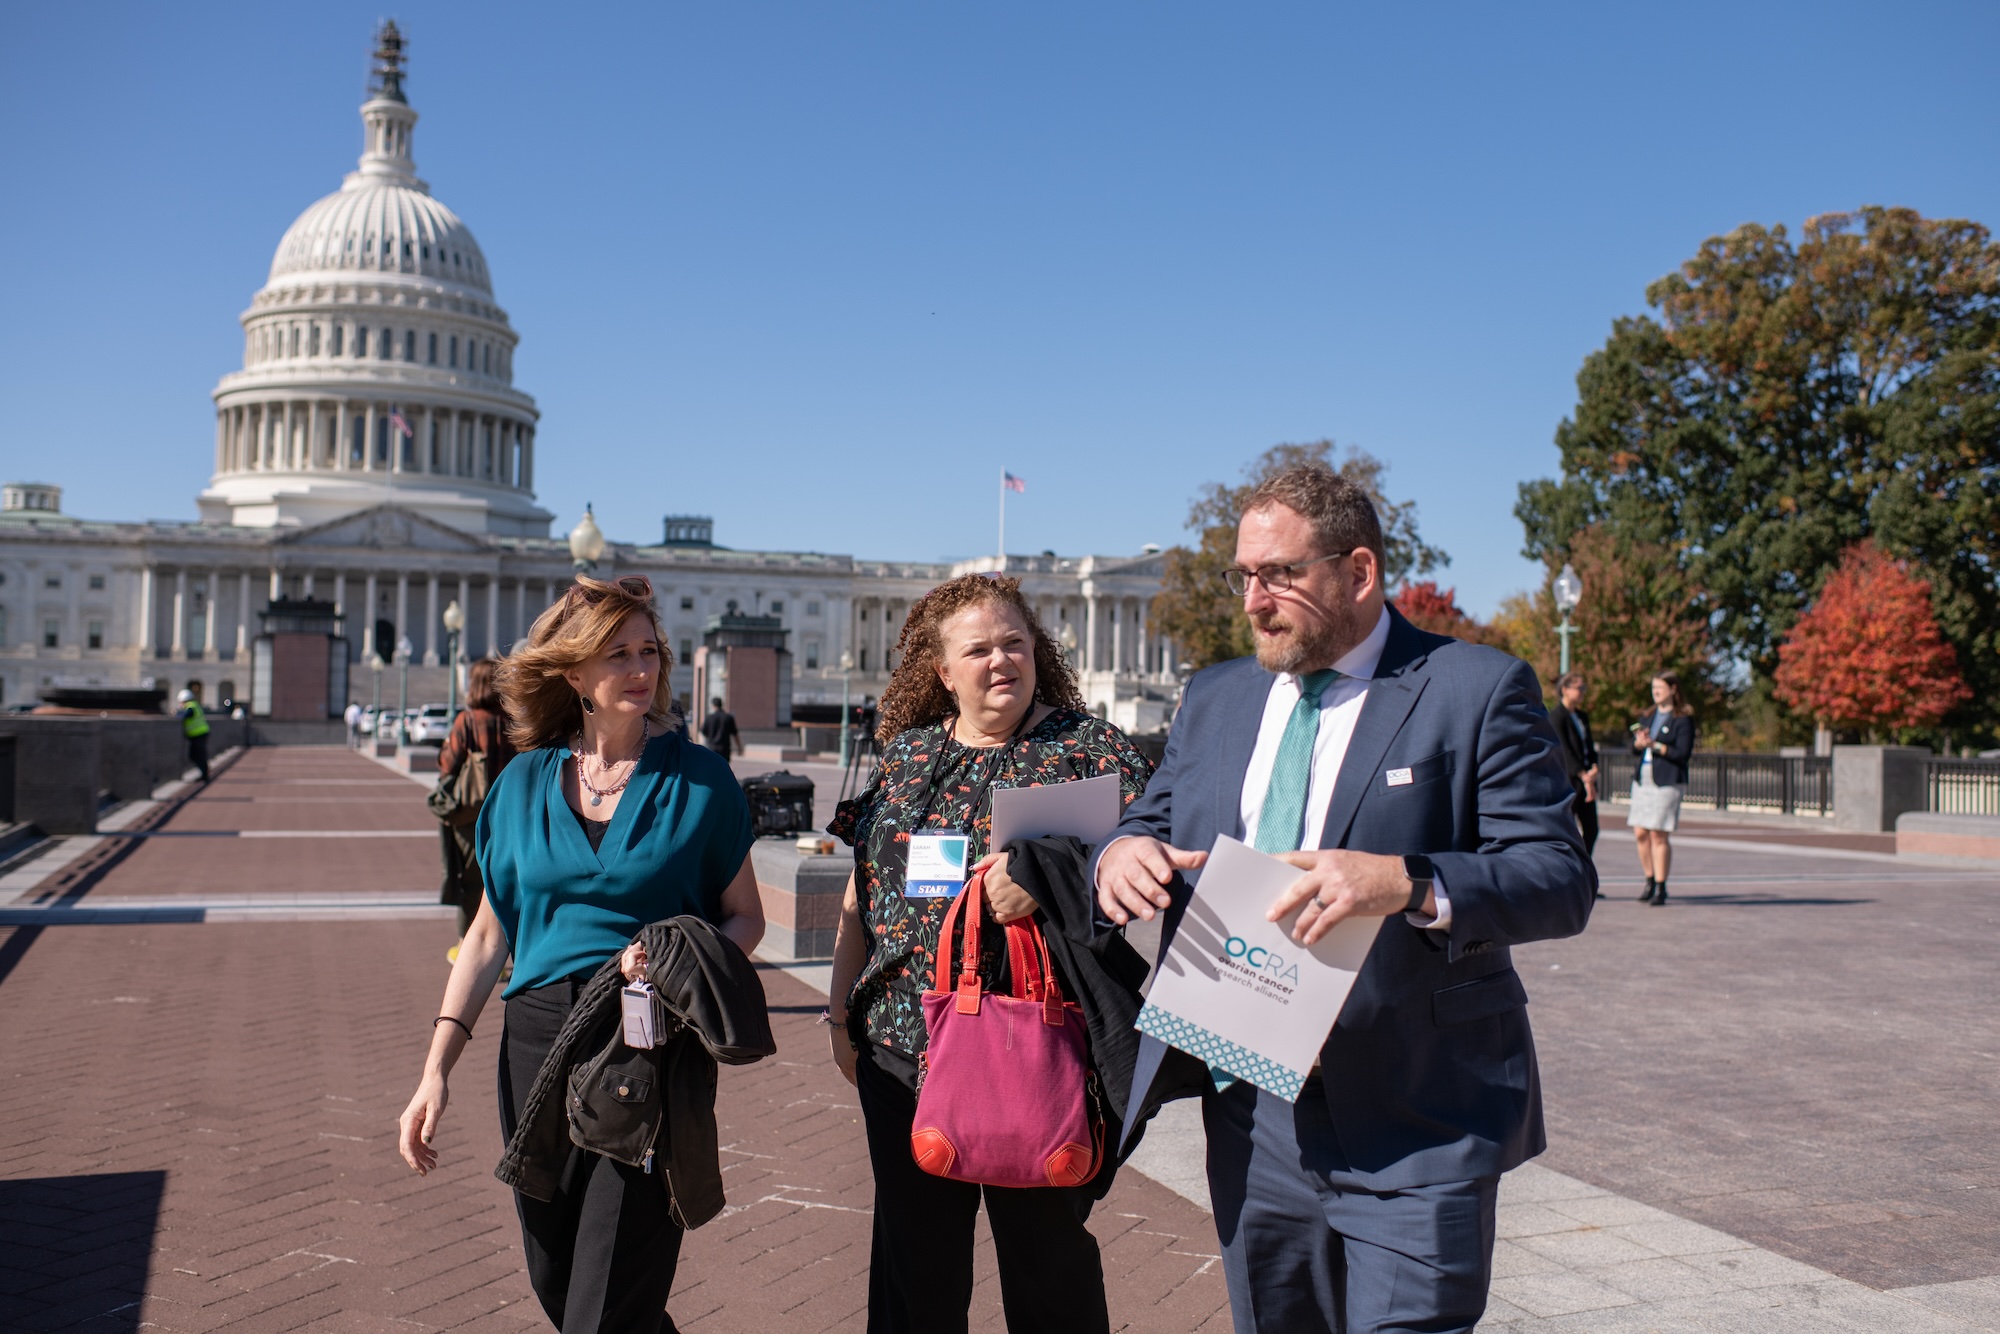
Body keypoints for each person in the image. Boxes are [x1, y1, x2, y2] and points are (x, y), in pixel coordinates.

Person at [1093, 462, 1596, 1334]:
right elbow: (1150, 814)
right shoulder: (1216, 697)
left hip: (1416, 1114)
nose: (1254, 601)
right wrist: (1121, 851)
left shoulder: (1477, 688)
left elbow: (1558, 875)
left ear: (1358, 573)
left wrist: (1408, 882)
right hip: (1251, 1109)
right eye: (1244, 576)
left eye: (1280, 575)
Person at [397, 574, 766, 1334]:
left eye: (649, 651)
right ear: (573, 674)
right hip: (534, 1040)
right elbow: (487, 938)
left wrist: (673, 961)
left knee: (609, 1292)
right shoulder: (521, 784)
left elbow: (745, 920)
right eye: (617, 654)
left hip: (644, 1043)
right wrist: (435, 1069)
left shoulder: (702, 782)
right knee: (558, 1275)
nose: (641, 669)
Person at [825, 573, 1156, 1334]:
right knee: (915, 1266)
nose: (1001, 660)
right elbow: (861, 897)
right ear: (943, 671)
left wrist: (1051, 877)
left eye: (1015, 642)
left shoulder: (1086, 749)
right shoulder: (908, 758)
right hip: (904, 1052)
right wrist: (840, 1013)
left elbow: (1152, 857)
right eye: (978, 649)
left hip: (1035, 1046)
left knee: (1048, 1268)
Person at [437, 657, 519, 961]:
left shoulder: (467, 721)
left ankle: (468, 950)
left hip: (471, 815)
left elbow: (447, 764)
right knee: (502, 883)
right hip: (508, 813)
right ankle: (505, 954)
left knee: (471, 885)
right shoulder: (513, 721)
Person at [1629, 670, 1694, 905]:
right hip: (1643, 780)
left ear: (1673, 689)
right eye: (1653, 687)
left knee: (1658, 833)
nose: (1655, 692)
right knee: (1640, 832)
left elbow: (1682, 753)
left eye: (1660, 687)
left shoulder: (1682, 719)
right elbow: (1634, 748)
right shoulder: (1647, 715)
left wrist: (1656, 746)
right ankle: (1648, 879)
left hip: (1666, 781)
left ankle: (1661, 885)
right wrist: (1639, 743)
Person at [1551, 672, 1603, 892]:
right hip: (1568, 782)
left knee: (1591, 829)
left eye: (1584, 688)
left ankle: (1583, 876)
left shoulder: (1582, 716)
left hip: (1585, 781)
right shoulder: (1556, 716)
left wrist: (1593, 769)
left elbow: (1588, 747)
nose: (1582, 692)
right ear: (1565, 689)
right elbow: (1564, 750)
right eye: (1578, 688)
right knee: (1567, 832)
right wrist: (1582, 774)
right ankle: (1566, 880)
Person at [175, 689, 211, 784]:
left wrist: (176, 713)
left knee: (196, 755)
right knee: (199, 755)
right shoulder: (194, 704)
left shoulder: (190, 706)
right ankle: (204, 773)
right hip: (200, 733)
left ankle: (204, 773)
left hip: (198, 734)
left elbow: (185, 715)